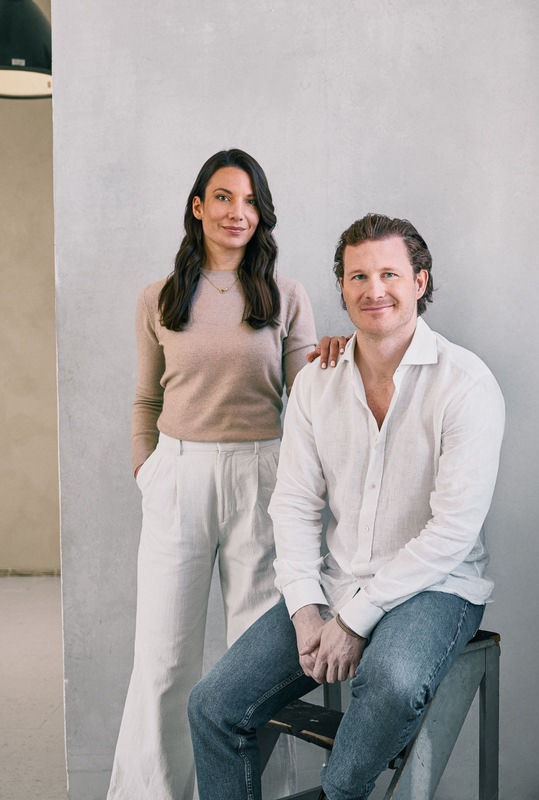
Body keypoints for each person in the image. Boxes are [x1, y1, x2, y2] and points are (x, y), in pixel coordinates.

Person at [187, 213, 506, 800]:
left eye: (390, 274)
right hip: (337, 581)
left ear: (420, 281)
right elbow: (294, 504)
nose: (373, 289)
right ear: (341, 287)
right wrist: (306, 608)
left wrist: (355, 621)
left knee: (389, 683)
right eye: (358, 276)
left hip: (437, 586)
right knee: (213, 706)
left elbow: (452, 532)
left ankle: (341, 793)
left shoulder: (466, 384)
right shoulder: (317, 382)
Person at [107, 149, 344, 800]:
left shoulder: (285, 294)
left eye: (249, 201)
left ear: (261, 214)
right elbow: (146, 398)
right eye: (222, 197)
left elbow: (306, 395)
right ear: (198, 206)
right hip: (177, 475)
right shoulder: (158, 298)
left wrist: (334, 360)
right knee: (164, 659)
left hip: (262, 475)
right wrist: (148, 468)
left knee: (251, 664)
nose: (237, 212)